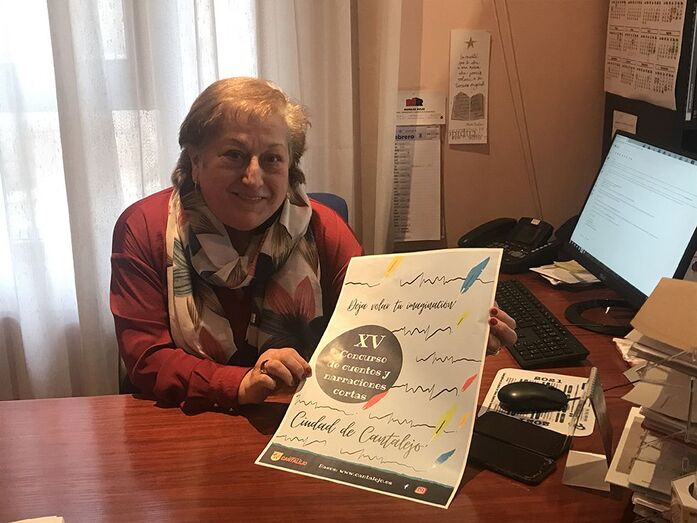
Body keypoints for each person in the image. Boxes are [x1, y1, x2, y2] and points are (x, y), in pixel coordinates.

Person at [110, 77, 516, 412]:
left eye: (272, 159)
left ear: (291, 166)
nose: (254, 177)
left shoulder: (323, 227)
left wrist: (455, 335)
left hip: (305, 419)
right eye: (233, 155)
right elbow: (147, 359)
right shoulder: (145, 228)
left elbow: (377, 326)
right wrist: (241, 383)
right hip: (192, 422)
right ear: (195, 161)